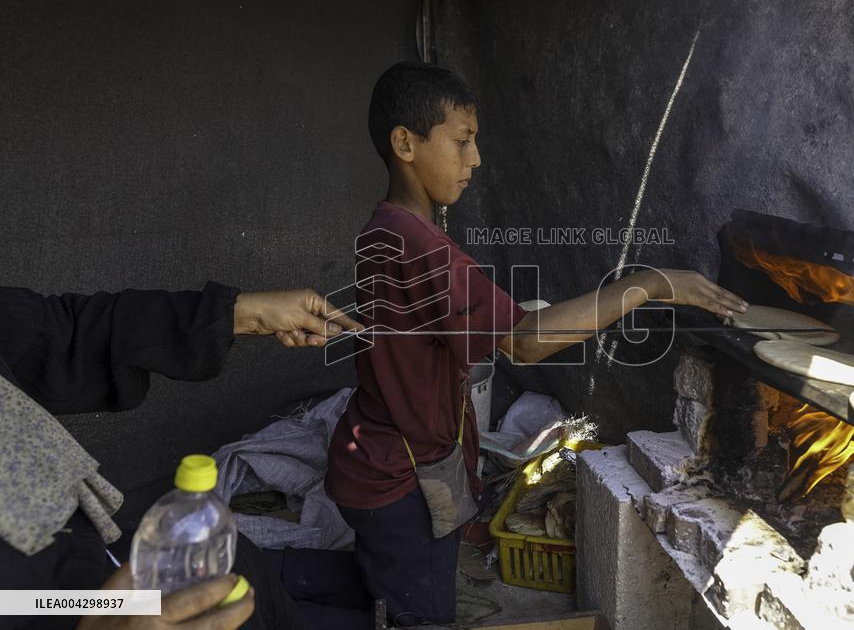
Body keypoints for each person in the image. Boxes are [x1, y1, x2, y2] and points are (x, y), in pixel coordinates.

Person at [323, 61, 747, 626]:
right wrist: (651, 284)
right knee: (419, 615)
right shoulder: (420, 244)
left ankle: (275, 583)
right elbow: (523, 346)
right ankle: (262, 590)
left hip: (376, 461)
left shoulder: (386, 228)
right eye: (462, 141)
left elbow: (445, 328)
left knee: (388, 583)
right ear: (405, 142)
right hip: (398, 480)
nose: (475, 159)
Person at [0, 282, 361, 629]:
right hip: (44, 602)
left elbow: (50, 335)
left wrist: (235, 315)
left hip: (68, 583)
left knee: (234, 561)